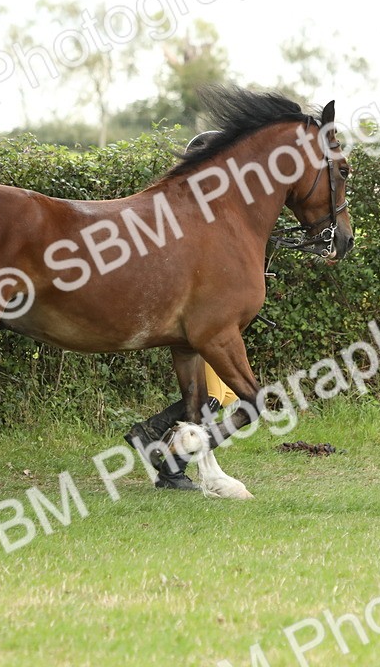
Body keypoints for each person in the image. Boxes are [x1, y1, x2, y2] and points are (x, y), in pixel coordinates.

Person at [124, 131, 242, 490]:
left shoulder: (207, 211)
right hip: (197, 319)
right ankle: (165, 455)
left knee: (220, 394)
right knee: (214, 394)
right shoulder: (194, 214)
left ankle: (162, 451)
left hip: (201, 316)